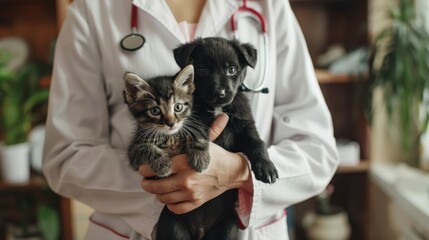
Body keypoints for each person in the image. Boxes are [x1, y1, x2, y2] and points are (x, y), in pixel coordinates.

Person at [42, 0, 340, 239]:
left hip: (242, 227)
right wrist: (169, 183)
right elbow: (65, 157)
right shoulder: (92, 10)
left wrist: (238, 173)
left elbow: (318, 151)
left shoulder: (269, 6)